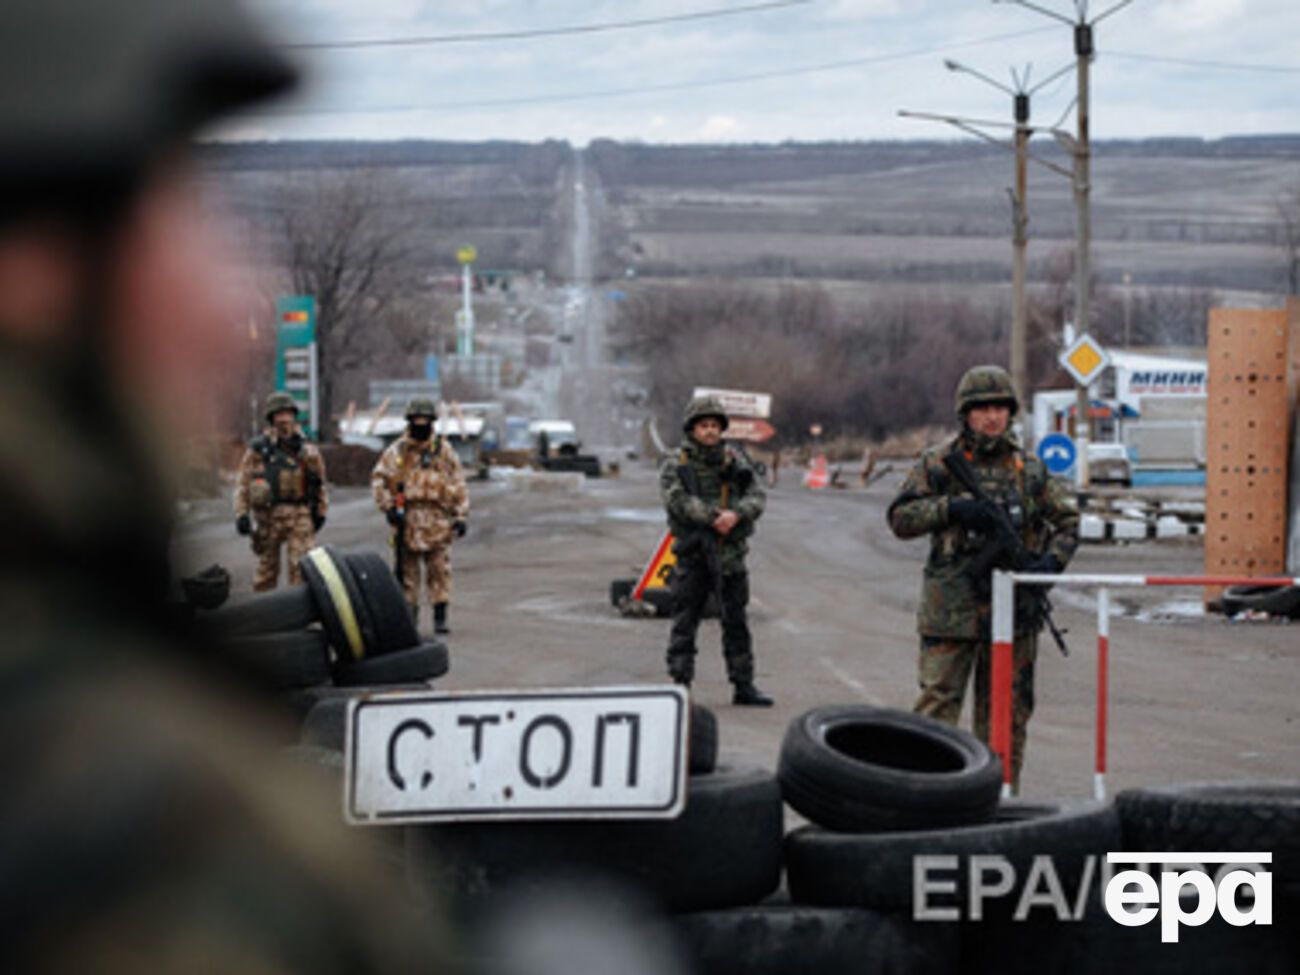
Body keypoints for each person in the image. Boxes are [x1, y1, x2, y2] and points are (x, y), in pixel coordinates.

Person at [0, 1, 447, 969]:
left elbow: (324, 484)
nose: (220, 300)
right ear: (30, 269)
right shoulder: (129, 814)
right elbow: (255, 484)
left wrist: (323, 503)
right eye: (178, 211)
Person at [887, 365, 1079, 791]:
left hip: (1014, 609)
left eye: (1000, 408)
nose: (992, 418)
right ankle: (926, 798)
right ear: (965, 413)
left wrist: (1049, 566)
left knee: (1007, 715)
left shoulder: (1029, 470)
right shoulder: (939, 463)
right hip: (950, 608)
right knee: (935, 712)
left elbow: (1069, 521)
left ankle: (999, 798)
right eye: (982, 409)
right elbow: (899, 517)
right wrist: (950, 509)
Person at [661, 395, 772, 706]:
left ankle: (744, 685)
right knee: (685, 623)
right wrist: (713, 518)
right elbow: (677, 501)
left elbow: (757, 496)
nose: (709, 431)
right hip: (694, 556)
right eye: (703, 425)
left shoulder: (734, 461)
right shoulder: (677, 464)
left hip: (730, 555)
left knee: (736, 622)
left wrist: (736, 515)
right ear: (692, 429)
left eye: (714, 425)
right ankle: (680, 685)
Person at [371, 397, 469, 635]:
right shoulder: (397, 452)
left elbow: (458, 483)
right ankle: (409, 618)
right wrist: (389, 508)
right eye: (417, 420)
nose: (421, 424)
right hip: (409, 519)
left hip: (438, 519)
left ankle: (440, 616)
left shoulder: (443, 452)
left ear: (433, 422)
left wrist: (461, 516)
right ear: (409, 421)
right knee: (408, 575)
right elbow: (379, 481)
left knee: (439, 571)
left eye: (425, 420)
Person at [234, 391, 329, 591]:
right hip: (267, 518)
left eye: (287, 414)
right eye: (279, 414)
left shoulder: (307, 450)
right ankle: (265, 617)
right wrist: (241, 514)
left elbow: (320, 483)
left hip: (299, 516)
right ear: (271, 417)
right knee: (265, 573)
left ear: (294, 416)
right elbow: (242, 484)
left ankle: (298, 617)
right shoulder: (259, 450)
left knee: (302, 571)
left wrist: (321, 512)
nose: (284, 419)